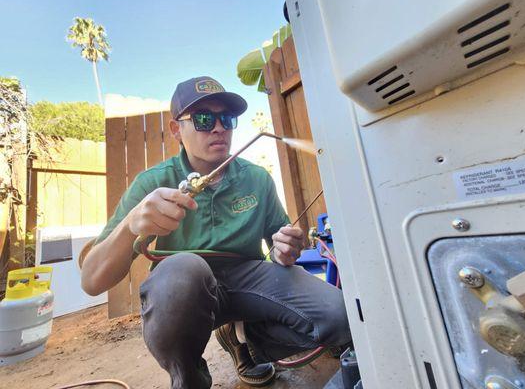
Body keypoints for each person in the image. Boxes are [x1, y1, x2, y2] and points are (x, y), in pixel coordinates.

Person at [81, 76, 351, 389]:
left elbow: (280, 246)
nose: (219, 127)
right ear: (175, 129)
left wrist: (286, 247)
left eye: (227, 118)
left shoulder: (257, 179)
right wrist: (130, 225)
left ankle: (246, 342)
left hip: (249, 278)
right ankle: (189, 379)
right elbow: (92, 281)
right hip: (186, 286)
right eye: (204, 119)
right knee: (183, 270)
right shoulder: (152, 183)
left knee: (340, 316)